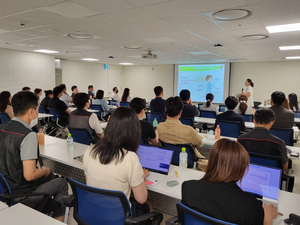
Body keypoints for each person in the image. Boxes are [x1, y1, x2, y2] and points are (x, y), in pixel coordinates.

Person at [0, 91, 68, 222]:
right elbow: (29, 175)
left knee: (50, 177)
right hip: (21, 195)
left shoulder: (2, 127)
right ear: (31, 111)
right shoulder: (28, 135)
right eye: (37, 109)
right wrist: (44, 171)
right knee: (62, 183)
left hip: (5, 188)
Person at [182, 139, 282, 225]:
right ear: (241, 169)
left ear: (211, 161)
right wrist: (267, 217)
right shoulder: (250, 204)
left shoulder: (188, 187)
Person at [83, 107, 151, 217]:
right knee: (147, 206)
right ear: (134, 132)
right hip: (117, 217)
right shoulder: (130, 158)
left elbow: (89, 181)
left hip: (93, 211)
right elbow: (141, 199)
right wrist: (140, 177)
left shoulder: (90, 150)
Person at [157, 96, 207, 171]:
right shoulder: (188, 130)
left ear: (165, 110)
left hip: (169, 162)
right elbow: (200, 144)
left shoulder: (159, 127)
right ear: (180, 112)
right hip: (188, 164)